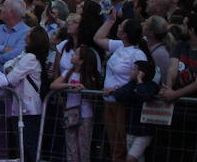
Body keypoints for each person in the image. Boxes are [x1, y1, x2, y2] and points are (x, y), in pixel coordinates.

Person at [94, 10, 151, 162]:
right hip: (109, 102)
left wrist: (116, 90)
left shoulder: (137, 54)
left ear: (126, 34)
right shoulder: (119, 46)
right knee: (114, 145)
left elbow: (139, 79)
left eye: (120, 26)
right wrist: (110, 21)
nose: (118, 27)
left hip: (123, 104)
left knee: (123, 144)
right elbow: (98, 38)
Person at [4, 26, 49, 162]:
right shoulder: (25, 54)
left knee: (29, 146)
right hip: (21, 107)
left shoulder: (30, 58)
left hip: (29, 108)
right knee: (23, 146)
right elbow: (7, 64)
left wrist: (11, 69)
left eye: (29, 32)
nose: (27, 33)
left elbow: (11, 78)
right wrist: (10, 69)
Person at [51, 44, 102, 162]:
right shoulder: (69, 72)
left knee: (83, 147)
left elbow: (94, 94)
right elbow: (53, 84)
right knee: (71, 146)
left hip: (85, 116)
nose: (73, 54)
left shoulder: (91, 76)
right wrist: (69, 85)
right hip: (70, 113)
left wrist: (85, 89)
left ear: (82, 61)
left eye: (76, 54)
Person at [106, 60, 159, 162]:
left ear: (142, 73)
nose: (131, 71)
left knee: (131, 158)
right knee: (139, 158)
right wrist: (116, 90)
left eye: (134, 69)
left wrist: (139, 81)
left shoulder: (151, 86)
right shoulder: (131, 84)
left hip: (145, 131)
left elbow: (146, 96)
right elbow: (119, 95)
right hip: (131, 129)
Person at [0, 0, 31, 65]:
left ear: (11, 12)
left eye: (3, 6)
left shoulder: (27, 33)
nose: (0, 9)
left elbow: (17, 55)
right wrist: (3, 49)